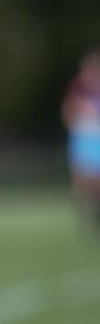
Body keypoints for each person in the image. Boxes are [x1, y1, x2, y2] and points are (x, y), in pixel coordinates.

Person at [61, 48, 100, 230]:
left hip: (97, 137)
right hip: (82, 136)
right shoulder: (78, 88)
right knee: (82, 178)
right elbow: (68, 111)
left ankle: (95, 211)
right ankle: (85, 214)